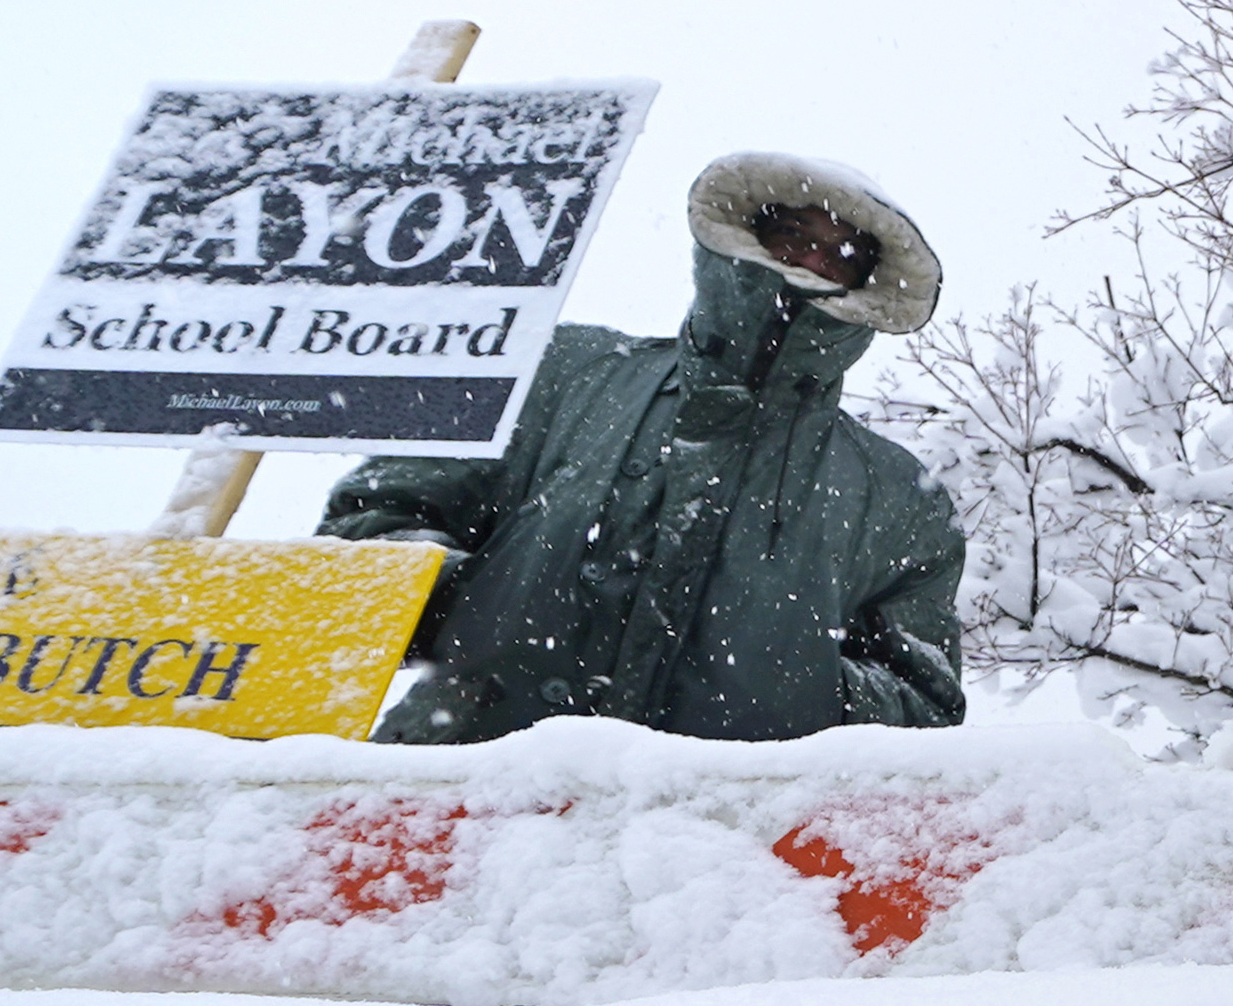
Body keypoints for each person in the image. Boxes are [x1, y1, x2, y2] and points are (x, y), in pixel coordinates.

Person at [321, 152, 967, 743]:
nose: (811, 261)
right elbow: (363, 533)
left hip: (714, 837)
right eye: (793, 235)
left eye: (842, 253)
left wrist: (803, 685)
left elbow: (925, 705)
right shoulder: (564, 373)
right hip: (463, 789)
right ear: (747, 239)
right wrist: (480, 597)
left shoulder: (898, 494)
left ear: (867, 282)